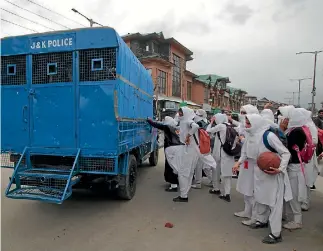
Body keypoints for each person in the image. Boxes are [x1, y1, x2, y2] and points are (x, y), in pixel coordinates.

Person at [235, 114, 292, 244]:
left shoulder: (268, 136)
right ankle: (262, 220)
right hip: (259, 173)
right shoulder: (250, 136)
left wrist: (280, 168)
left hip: (273, 174)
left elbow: (285, 153)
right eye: (246, 122)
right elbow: (245, 152)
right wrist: (238, 163)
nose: (247, 124)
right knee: (260, 199)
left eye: (249, 122)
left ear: (256, 123)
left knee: (274, 203)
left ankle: (276, 234)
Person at [281, 108, 307, 230]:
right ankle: (289, 216)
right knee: (290, 192)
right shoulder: (295, 130)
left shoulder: (296, 132)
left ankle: (297, 220)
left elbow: (287, 148)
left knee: (294, 194)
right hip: (293, 166)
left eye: (289, 117)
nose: (287, 119)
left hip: (294, 166)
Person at [147, 116, 183, 192]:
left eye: (164, 120)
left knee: (170, 166)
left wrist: (149, 121)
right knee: (176, 165)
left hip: (171, 148)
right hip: (179, 148)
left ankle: (173, 186)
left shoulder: (167, 127)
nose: (163, 121)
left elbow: (157, 125)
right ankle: (177, 182)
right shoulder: (175, 127)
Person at [206, 113, 235, 202]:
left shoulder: (220, 126)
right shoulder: (231, 126)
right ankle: (227, 193)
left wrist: (211, 122)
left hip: (219, 153)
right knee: (227, 174)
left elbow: (208, 130)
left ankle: (216, 189)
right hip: (229, 153)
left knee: (216, 171)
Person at [173, 107, 200, 202]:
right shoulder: (184, 121)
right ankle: (185, 192)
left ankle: (183, 196)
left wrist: (188, 135)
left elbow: (196, 126)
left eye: (181, 112)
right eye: (179, 112)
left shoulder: (188, 121)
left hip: (188, 150)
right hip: (190, 150)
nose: (179, 114)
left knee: (183, 172)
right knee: (189, 173)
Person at [298, 108, 319, 210]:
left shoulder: (310, 126)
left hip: (308, 157)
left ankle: (305, 202)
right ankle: (301, 199)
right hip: (300, 156)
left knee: (307, 179)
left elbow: (314, 141)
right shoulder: (300, 125)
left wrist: (305, 144)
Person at [192, 109, 217, 189]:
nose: (195, 115)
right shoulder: (208, 122)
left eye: (197, 114)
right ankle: (213, 181)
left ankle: (198, 183)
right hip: (207, 147)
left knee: (198, 165)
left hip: (200, 147)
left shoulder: (198, 123)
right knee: (206, 166)